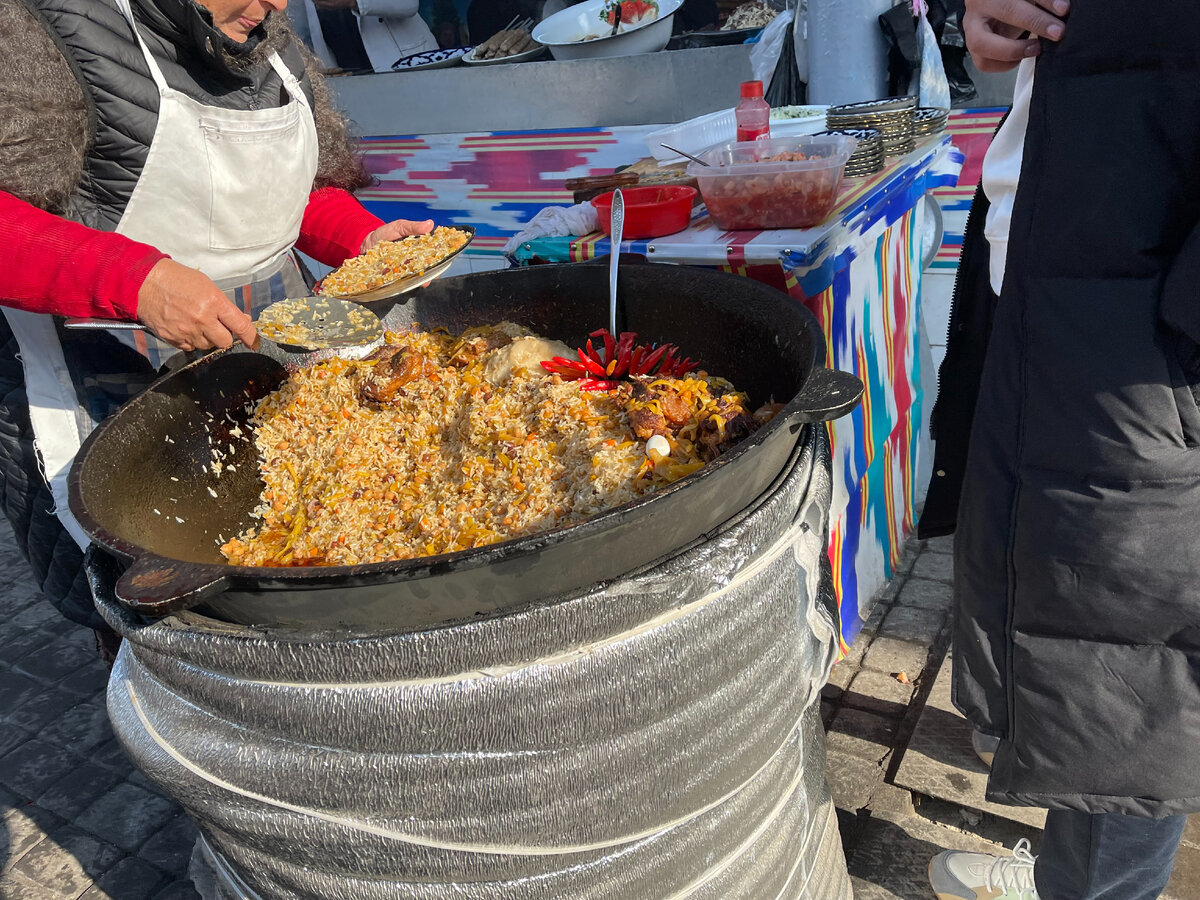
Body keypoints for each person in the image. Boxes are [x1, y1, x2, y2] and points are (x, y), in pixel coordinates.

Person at [0, 0, 435, 663]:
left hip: (273, 365)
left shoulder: (265, 40)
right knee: (167, 614)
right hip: (114, 387)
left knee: (314, 541)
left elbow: (293, 189)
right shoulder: (42, 30)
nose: (276, 5)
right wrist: (137, 280)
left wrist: (362, 239)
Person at [923, 0, 1200, 898]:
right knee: (1072, 617)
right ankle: (1067, 865)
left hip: (1148, 323)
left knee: (1135, 660)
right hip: (1050, 250)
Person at [291, 0, 437, 72]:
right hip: (347, 81)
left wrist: (355, 1)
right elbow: (299, 30)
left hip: (407, 66)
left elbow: (409, 3)